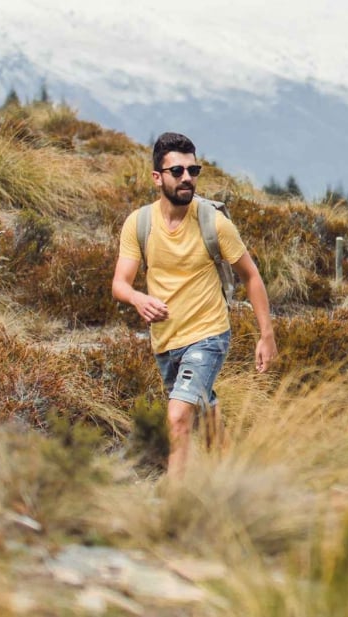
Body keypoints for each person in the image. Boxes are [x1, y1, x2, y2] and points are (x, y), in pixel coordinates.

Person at [111, 132, 277, 479]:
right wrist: (138, 298)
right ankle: (239, 479)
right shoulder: (139, 224)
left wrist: (267, 335)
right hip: (166, 341)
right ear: (157, 178)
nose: (188, 178)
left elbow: (251, 277)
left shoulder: (213, 222)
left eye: (193, 170)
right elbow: (120, 284)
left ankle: (175, 502)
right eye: (177, 171)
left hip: (209, 335)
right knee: (205, 414)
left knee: (177, 416)